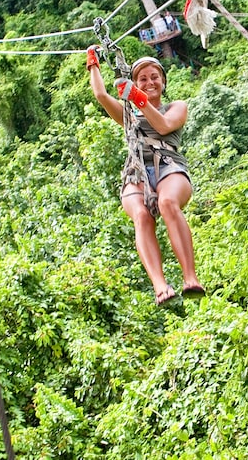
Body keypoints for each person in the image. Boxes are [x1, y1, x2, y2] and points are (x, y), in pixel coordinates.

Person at [86, 49, 205, 306]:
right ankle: (160, 286)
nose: (150, 82)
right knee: (141, 216)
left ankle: (190, 278)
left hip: (168, 165)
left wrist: (136, 96)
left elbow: (162, 125)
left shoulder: (177, 107)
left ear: (163, 82)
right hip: (136, 171)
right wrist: (92, 62)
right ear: (135, 82)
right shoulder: (129, 116)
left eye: (154, 78)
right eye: (142, 79)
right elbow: (100, 95)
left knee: (167, 203)